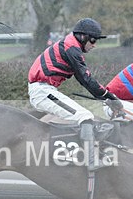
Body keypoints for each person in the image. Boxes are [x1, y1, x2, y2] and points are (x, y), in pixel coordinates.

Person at [28, 17, 122, 169]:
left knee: (84, 115)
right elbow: (86, 79)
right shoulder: (72, 48)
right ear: (83, 36)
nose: (94, 45)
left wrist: (106, 97)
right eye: (93, 40)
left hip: (46, 89)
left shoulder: (71, 45)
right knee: (85, 116)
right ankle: (91, 161)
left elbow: (83, 80)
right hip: (42, 91)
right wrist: (109, 97)